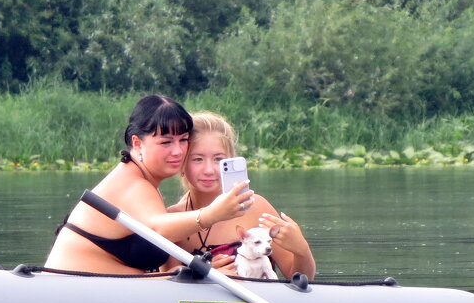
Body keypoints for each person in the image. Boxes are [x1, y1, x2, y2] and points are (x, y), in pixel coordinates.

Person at [45, 96, 255, 274]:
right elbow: (158, 229)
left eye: (183, 140)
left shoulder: (143, 183)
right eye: (166, 142)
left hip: (110, 295)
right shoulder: (132, 184)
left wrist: (195, 273)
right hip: (72, 291)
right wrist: (213, 214)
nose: (178, 151)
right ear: (138, 144)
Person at [168, 112, 316, 279]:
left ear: (231, 160)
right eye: (197, 159)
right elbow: (167, 280)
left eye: (218, 159)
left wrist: (302, 250)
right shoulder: (173, 217)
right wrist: (200, 273)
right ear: (181, 163)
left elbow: (301, 278)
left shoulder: (255, 207)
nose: (209, 170)